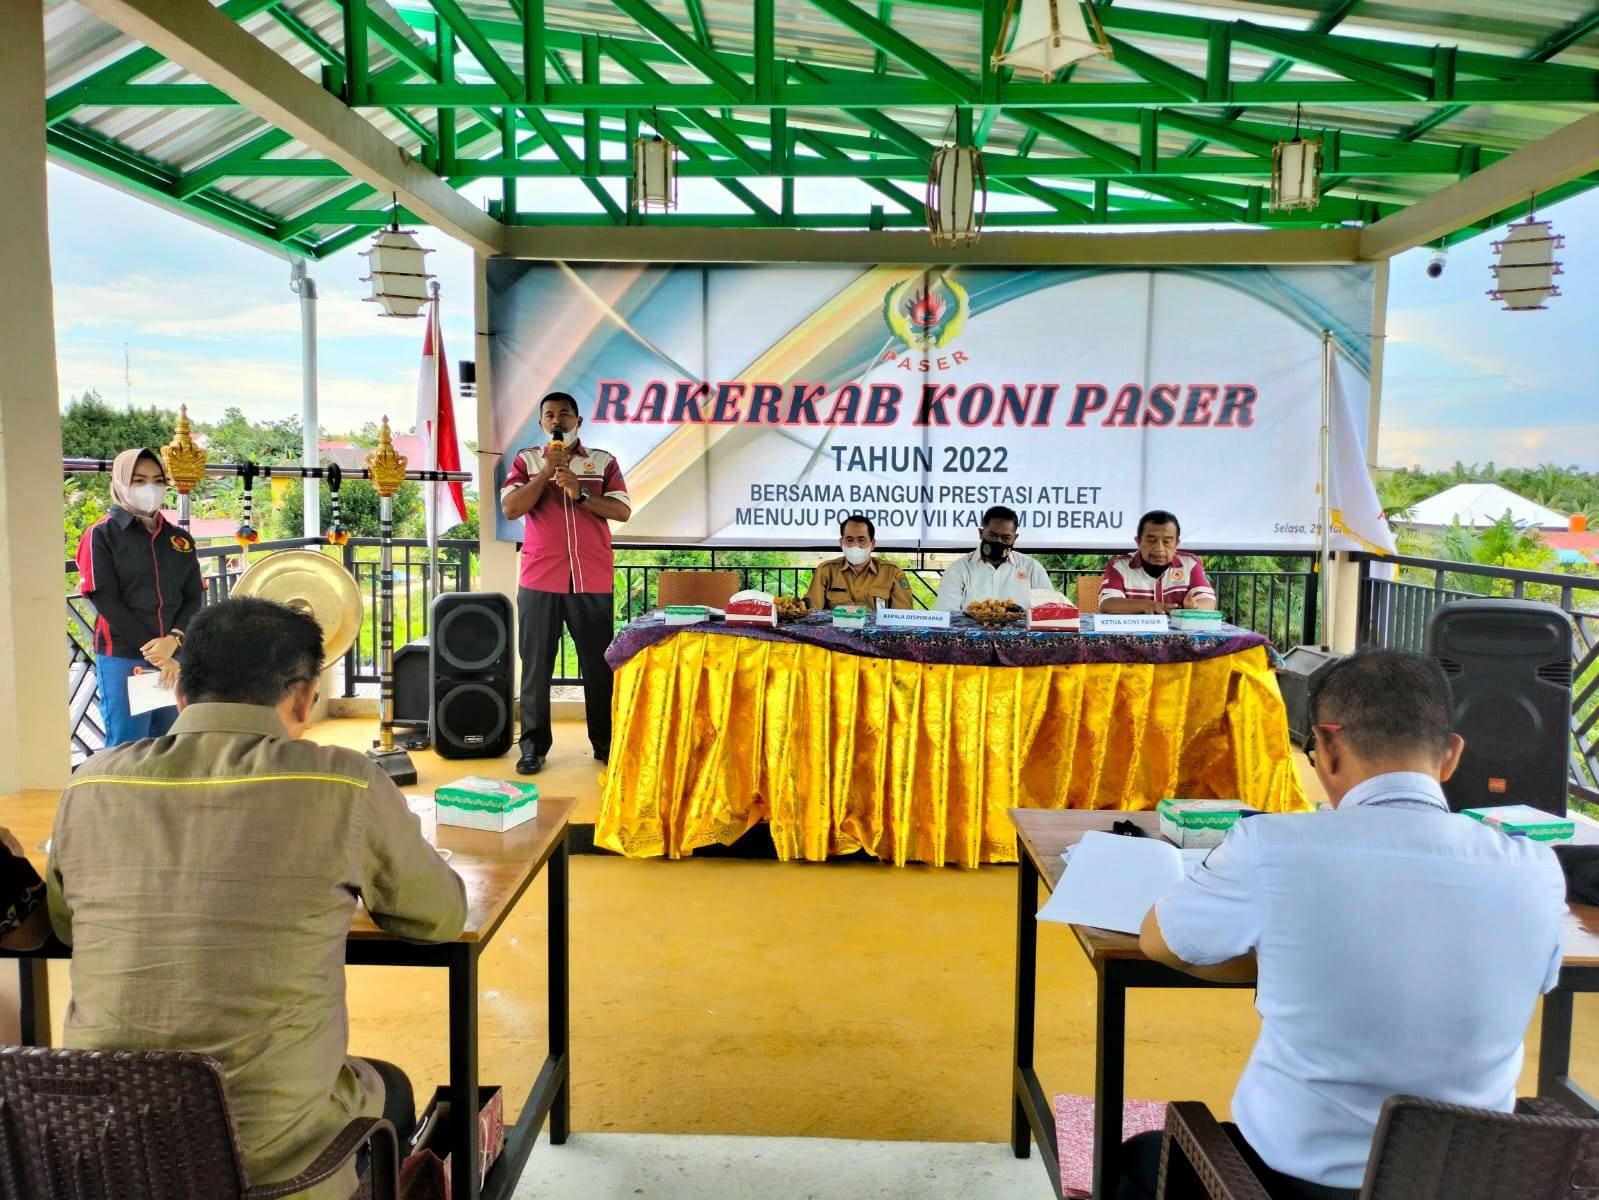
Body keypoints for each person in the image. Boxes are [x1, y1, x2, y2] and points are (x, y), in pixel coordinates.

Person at [48, 597, 466, 1200]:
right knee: (391, 1086)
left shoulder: (90, 784)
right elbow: (439, 918)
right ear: (303, 695)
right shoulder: (343, 782)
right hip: (272, 1169)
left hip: (110, 1157)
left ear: (182, 692)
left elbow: (66, 927)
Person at [1120, 650, 1567, 1200]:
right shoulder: (1536, 870)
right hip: (1470, 1180)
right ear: (1451, 756)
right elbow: (1532, 978)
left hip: (1291, 1182)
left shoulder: (1272, 848)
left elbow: (1160, 940)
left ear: (1326, 748)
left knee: (1141, 1159)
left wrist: (1277, 959)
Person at [500, 391, 631, 775]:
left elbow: (621, 510)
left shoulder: (602, 461)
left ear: (578, 420)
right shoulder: (527, 460)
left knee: (597, 665)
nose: (557, 420)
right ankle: (533, 747)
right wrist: (545, 474)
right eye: (550, 414)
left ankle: (605, 743)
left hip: (591, 578)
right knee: (536, 667)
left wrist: (580, 492)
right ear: (542, 422)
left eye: (565, 414)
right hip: (541, 578)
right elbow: (511, 508)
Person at [74, 448, 204, 746]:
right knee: (127, 746)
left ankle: (163, 795)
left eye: (158, 480)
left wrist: (173, 641)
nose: (150, 488)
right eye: (139, 480)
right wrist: (155, 652)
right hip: (124, 656)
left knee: (170, 742)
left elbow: (193, 596)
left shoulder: (179, 539)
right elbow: (105, 600)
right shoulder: (101, 535)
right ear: (120, 483)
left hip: (175, 655)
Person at [934, 505, 1051, 611]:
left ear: (1015, 538)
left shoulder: (1031, 568)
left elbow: (1049, 610)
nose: (998, 542)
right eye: (993, 536)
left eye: (1006, 538)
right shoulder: (958, 569)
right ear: (981, 533)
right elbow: (947, 614)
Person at [1098, 509, 1216, 615]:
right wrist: (1148, 605)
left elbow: (1208, 601)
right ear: (1138, 541)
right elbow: (1107, 604)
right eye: (1151, 541)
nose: (1159, 548)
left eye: (1166, 542)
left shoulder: (1190, 564)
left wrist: (1194, 608)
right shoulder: (1119, 566)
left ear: (1176, 544)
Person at [805, 514, 913, 611]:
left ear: (873, 543)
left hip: (875, 633)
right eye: (849, 540)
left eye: (861, 540)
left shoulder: (892, 572)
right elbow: (813, 614)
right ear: (841, 542)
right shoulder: (825, 571)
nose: (855, 546)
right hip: (836, 632)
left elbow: (902, 618)